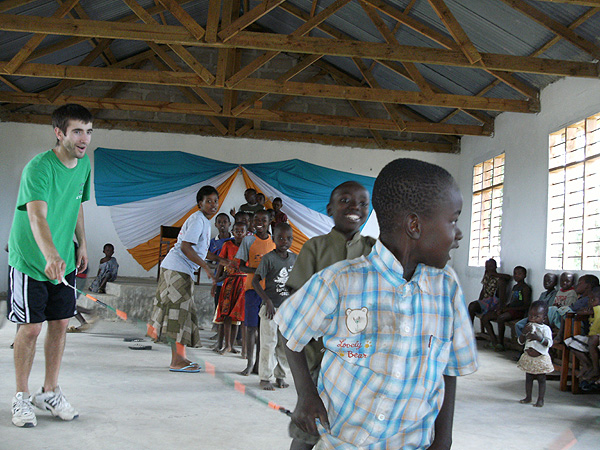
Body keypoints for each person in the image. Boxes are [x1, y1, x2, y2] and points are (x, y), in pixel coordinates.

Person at [276, 158, 478, 450]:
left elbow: (449, 368)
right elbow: (290, 323)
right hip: (342, 436)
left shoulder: (447, 287)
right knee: (305, 437)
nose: (458, 233)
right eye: (453, 220)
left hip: (412, 442)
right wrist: (306, 394)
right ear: (414, 225)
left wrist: (443, 439)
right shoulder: (339, 278)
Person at [7, 103, 93, 428]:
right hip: (32, 260)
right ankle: (21, 396)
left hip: (63, 259)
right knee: (30, 328)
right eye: (77, 132)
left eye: (88, 132)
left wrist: (81, 242)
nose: (84, 139)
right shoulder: (39, 168)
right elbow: (36, 215)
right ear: (59, 133)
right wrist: (50, 255)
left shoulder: (84, 166)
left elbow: (77, 205)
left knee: (59, 324)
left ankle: (49, 391)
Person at [284, 180, 376, 450]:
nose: (354, 207)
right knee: (309, 428)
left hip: (360, 360)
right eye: (345, 200)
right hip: (318, 359)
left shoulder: (374, 250)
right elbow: (295, 309)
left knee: (353, 429)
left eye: (362, 203)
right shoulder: (315, 248)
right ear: (329, 209)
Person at [147, 186, 228, 373]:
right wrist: (207, 267)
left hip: (178, 270)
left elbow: (199, 250)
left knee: (180, 315)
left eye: (215, 201)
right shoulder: (199, 220)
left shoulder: (202, 222)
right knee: (177, 315)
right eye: (208, 201)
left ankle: (180, 358)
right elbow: (185, 247)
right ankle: (177, 360)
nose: (213, 205)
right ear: (200, 203)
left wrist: (219, 260)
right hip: (177, 270)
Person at [252, 223, 297, 391]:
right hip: (270, 310)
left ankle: (281, 376)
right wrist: (267, 300)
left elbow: (296, 284)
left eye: (289, 238)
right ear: (273, 238)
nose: (285, 241)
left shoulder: (295, 258)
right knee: (268, 344)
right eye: (280, 238)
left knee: (284, 346)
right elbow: (255, 281)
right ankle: (265, 377)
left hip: (287, 311)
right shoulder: (268, 258)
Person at [236, 210, 276, 376]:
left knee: (265, 329)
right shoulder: (248, 240)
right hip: (253, 289)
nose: (260, 222)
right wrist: (259, 271)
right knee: (251, 327)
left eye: (263, 220)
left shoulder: (275, 241)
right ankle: (250, 363)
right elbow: (241, 266)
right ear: (252, 222)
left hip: (270, 293)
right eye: (256, 220)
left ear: (269, 222)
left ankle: (260, 365)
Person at [213, 221, 248, 354]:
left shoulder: (249, 246)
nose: (239, 233)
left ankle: (233, 345)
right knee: (227, 314)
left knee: (239, 316)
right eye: (236, 230)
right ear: (232, 232)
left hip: (243, 283)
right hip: (229, 282)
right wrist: (217, 279)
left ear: (246, 233)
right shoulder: (227, 245)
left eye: (242, 231)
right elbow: (221, 263)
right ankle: (227, 345)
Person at [482, 266, 532, 351]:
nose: (516, 276)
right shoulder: (515, 287)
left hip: (519, 312)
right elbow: (512, 302)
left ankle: (500, 343)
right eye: (515, 274)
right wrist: (503, 308)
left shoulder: (525, 288)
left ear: (525, 275)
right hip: (511, 310)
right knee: (485, 317)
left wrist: (507, 310)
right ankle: (494, 341)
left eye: (519, 274)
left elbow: (526, 305)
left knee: (501, 318)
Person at [516, 301, 554, 407]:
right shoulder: (528, 326)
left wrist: (538, 337)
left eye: (537, 316)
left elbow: (549, 343)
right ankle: (528, 397)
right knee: (529, 378)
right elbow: (520, 341)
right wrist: (524, 333)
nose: (533, 318)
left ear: (544, 318)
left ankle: (540, 399)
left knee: (541, 379)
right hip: (529, 357)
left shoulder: (545, 329)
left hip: (540, 358)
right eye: (531, 315)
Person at [564, 286, 600, 384]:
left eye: (593, 300)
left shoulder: (597, 309)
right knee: (571, 343)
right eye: (589, 300)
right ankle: (588, 365)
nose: (590, 302)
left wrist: (586, 311)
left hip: (594, 337)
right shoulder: (593, 310)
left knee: (592, 340)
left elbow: (595, 327)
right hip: (592, 338)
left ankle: (595, 368)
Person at [515, 273, 558, 338]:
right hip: (534, 315)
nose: (547, 283)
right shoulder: (543, 294)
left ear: (555, 283)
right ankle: (523, 342)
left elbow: (550, 309)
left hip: (543, 317)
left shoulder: (556, 294)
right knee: (518, 325)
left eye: (550, 281)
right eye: (545, 281)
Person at [467, 258, 510, 323]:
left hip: (494, 303)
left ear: (495, 266)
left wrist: (494, 274)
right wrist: (479, 300)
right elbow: (483, 289)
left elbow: (508, 277)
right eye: (487, 267)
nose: (489, 268)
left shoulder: (500, 278)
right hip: (485, 302)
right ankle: (469, 328)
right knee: (472, 306)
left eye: (491, 266)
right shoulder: (487, 276)